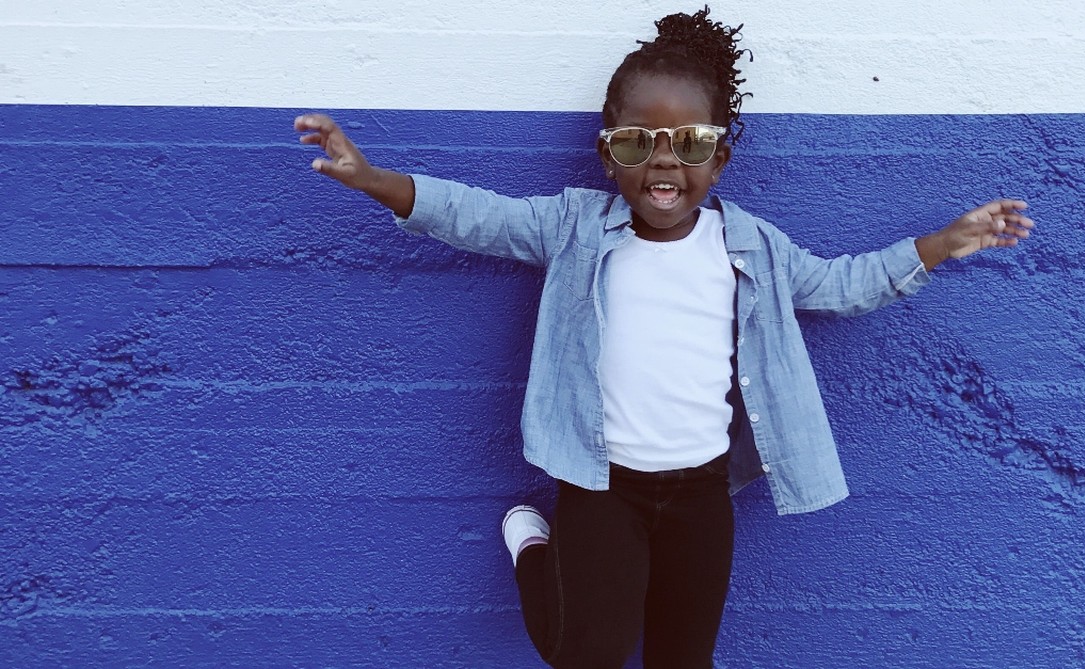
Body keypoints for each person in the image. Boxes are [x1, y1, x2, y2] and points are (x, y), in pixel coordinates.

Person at [294, 7, 1033, 668]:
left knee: (682, 657)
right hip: (601, 486)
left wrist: (940, 244)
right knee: (586, 652)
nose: (664, 161)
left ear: (721, 159)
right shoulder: (575, 226)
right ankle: (534, 547)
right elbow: (475, 215)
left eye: (689, 142)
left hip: (701, 493)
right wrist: (372, 178)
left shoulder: (751, 246)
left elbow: (840, 286)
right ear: (607, 151)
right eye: (638, 142)